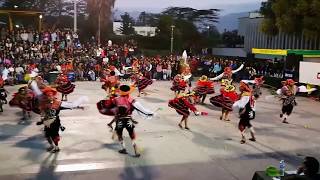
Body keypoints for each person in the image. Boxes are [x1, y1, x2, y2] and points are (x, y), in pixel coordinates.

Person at [97, 85, 153, 157]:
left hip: (120, 120)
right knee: (132, 136)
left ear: (120, 91)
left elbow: (109, 107)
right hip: (128, 120)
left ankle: (124, 149)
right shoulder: (132, 100)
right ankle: (136, 152)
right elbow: (138, 109)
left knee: (120, 135)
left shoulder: (115, 99)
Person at [35, 86, 86, 153]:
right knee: (47, 136)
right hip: (47, 122)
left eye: (51, 95)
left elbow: (69, 106)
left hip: (55, 122)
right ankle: (51, 146)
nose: (50, 97)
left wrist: (78, 107)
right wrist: (41, 121)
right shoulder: (44, 104)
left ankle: (56, 147)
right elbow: (43, 114)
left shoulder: (58, 103)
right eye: (48, 96)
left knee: (54, 136)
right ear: (46, 97)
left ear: (53, 96)